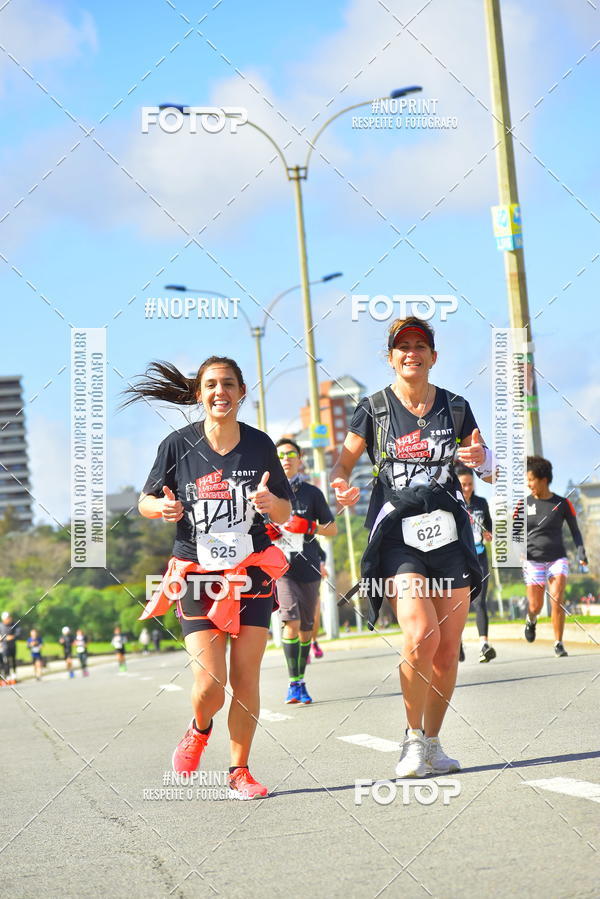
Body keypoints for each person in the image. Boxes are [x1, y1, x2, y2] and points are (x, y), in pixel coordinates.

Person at [331, 317, 493, 778]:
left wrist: (482, 460)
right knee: (421, 634)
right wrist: (341, 485)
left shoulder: (456, 407)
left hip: (449, 535)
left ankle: (435, 744)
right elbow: (342, 463)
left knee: (446, 650)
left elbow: (485, 462)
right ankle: (412, 739)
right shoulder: (374, 408)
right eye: (402, 346)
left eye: (420, 345)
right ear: (391, 357)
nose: (411, 353)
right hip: (398, 535)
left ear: (433, 356)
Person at [127, 356, 292, 799]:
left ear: (241, 392)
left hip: (251, 572)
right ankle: (199, 729)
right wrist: (160, 508)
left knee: (246, 677)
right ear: (199, 394)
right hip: (197, 575)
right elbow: (144, 501)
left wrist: (267, 502)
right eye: (212, 385)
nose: (220, 392)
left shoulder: (260, 446)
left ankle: (239, 771)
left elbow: (286, 510)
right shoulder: (177, 445)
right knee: (210, 682)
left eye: (229, 384)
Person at [268, 438, 337, 705]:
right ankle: (293, 683)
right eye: (280, 455)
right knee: (291, 622)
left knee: (307, 629)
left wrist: (308, 526)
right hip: (280, 568)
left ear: (299, 459)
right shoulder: (267, 493)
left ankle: (300, 680)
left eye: (290, 454)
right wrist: (267, 531)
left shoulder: (311, 493)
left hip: (308, 566)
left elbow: (331, 529)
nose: (285, 459)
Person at [522, 456, 587, 657]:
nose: (528, 484)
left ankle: (558, 642)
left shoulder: (563, 503)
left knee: (557, 599)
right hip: (533, 560)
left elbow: (575, 531)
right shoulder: (523, 504)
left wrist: (581, 552)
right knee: (536, 605)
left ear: (543, 479)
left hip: (557, 558)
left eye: (531, 479)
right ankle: (531, 619)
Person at [456, 466, 496, 663]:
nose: (467, 488)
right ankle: (457, 643)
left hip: (479, 556)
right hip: (458, 559)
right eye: (463, 484)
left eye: (470, 484)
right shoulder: (453, 503)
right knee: (459, 604)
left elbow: (489, 525)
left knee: (480, 602)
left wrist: (489, 533)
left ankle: (484, 645)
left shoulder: (481, 502)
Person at [0, 611, 21, 685]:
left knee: (13, 660)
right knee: (6, 661)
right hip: (4, 647)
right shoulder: (1, 625)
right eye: (7, 618)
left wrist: (12, 637)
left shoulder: (14, 625)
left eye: (9, 618)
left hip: (12, 646)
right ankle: (7, 676)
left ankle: (14, 675)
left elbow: (18, 634)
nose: (8, 619)